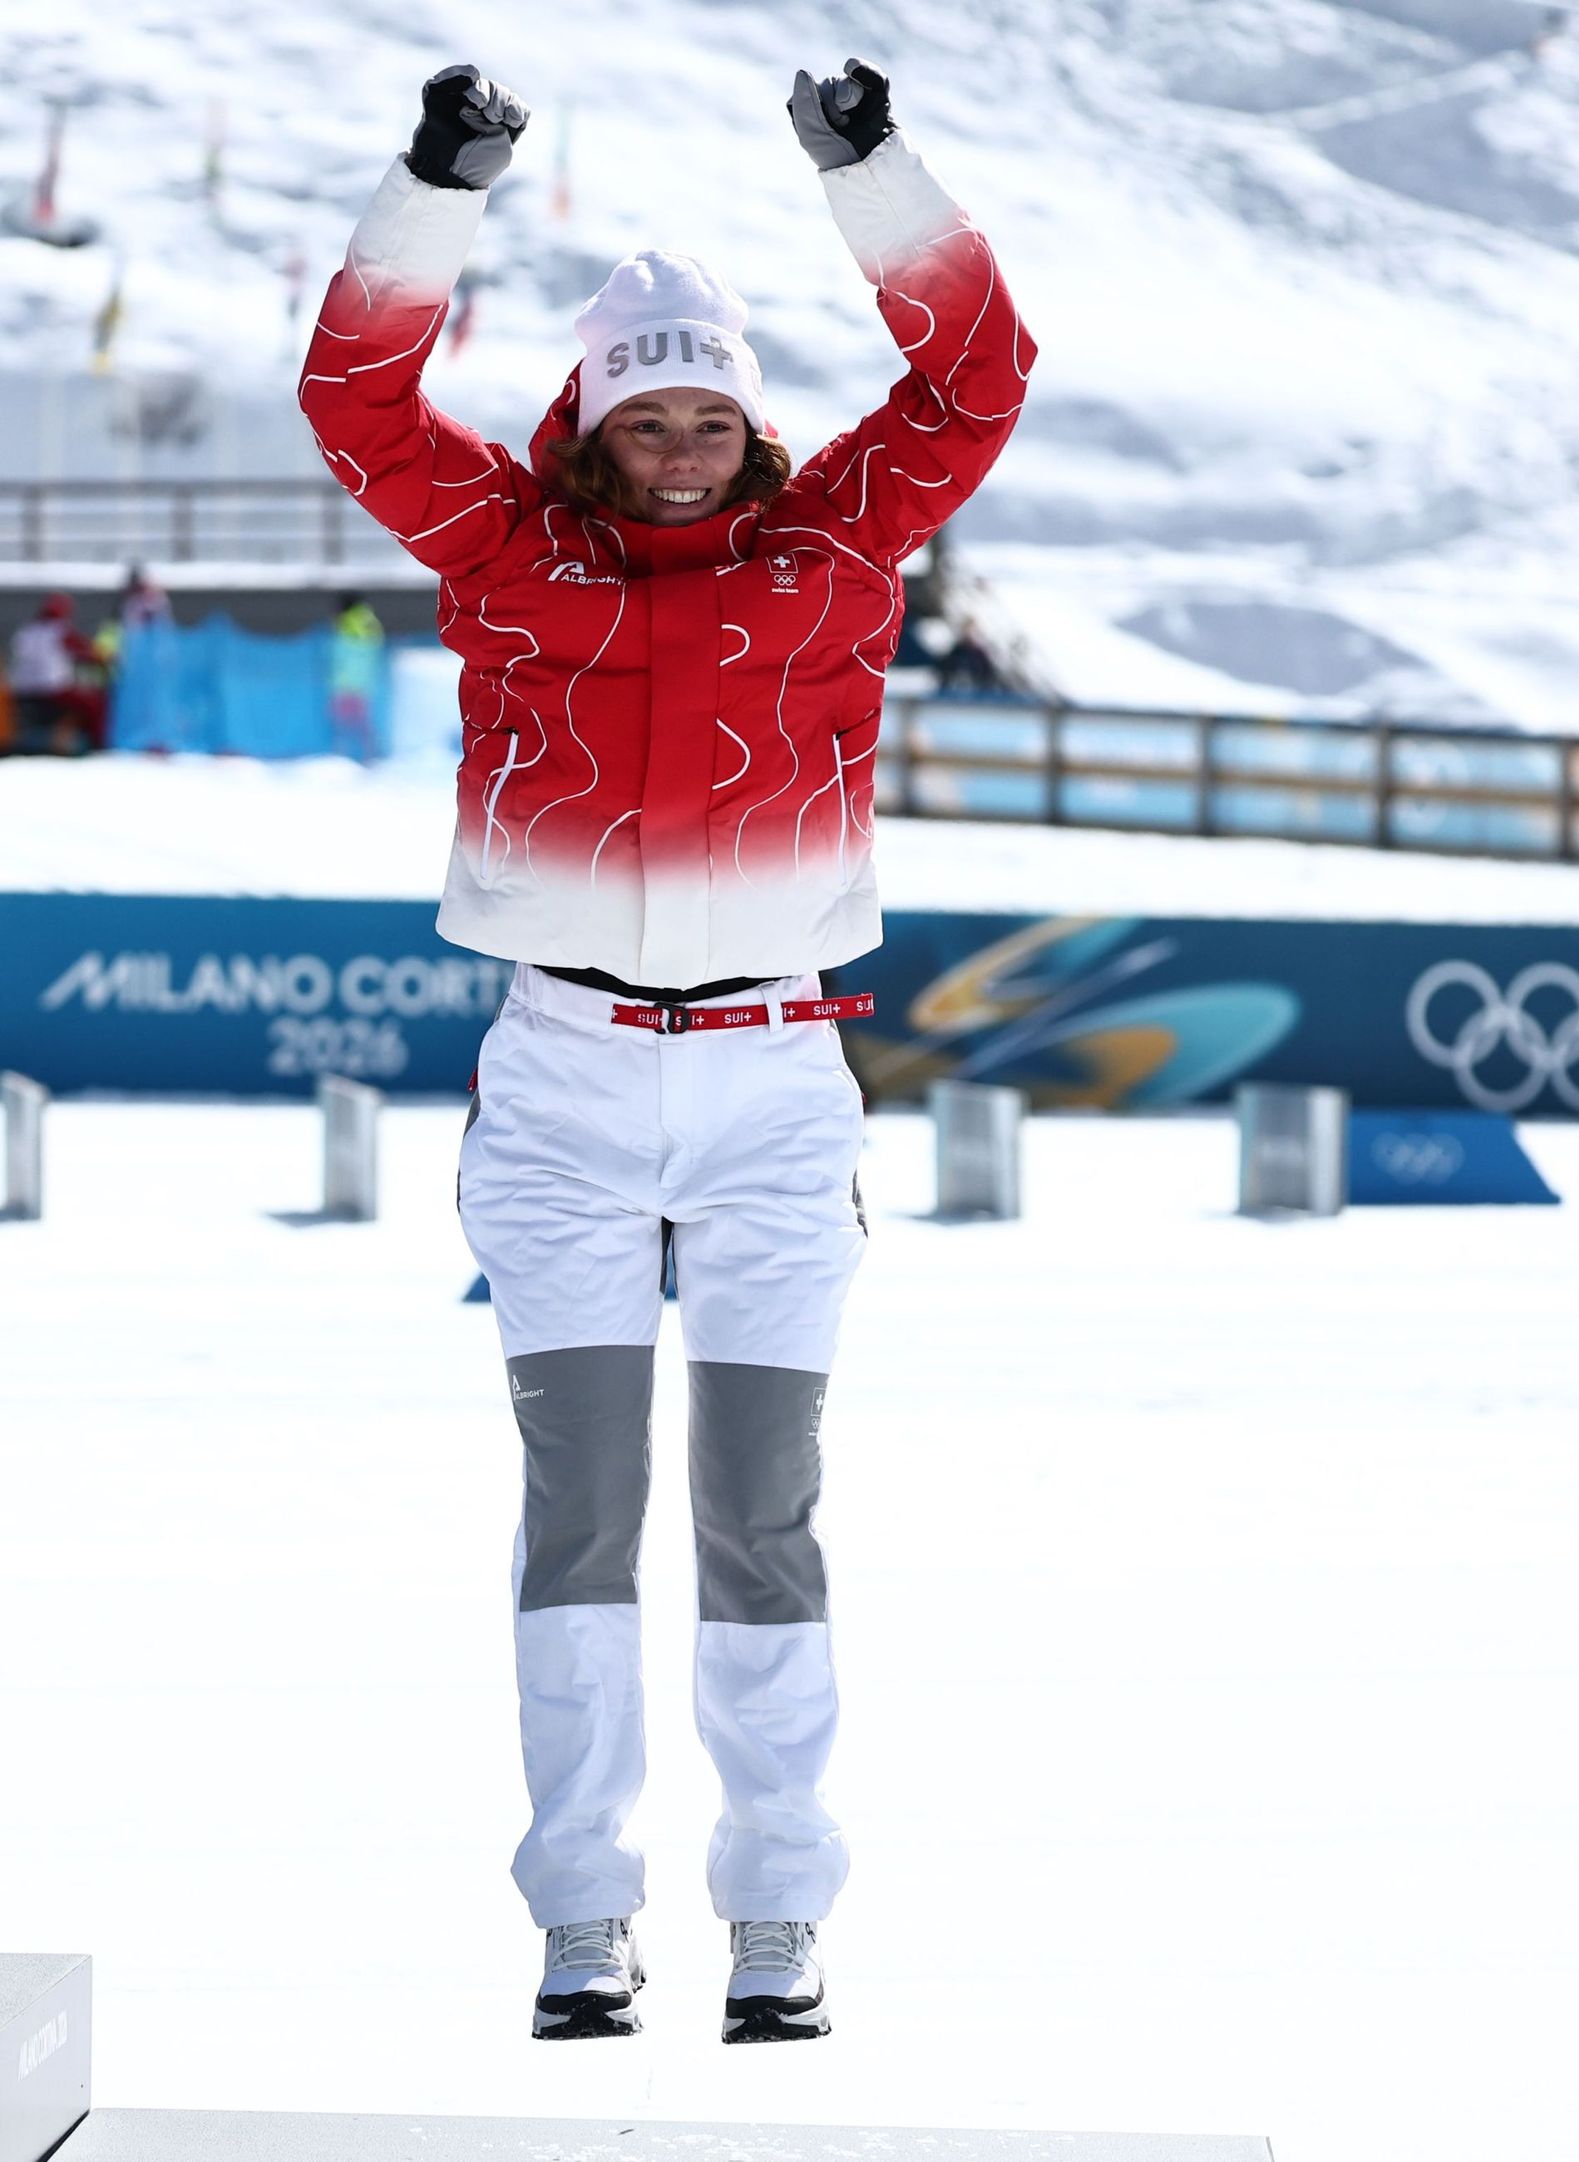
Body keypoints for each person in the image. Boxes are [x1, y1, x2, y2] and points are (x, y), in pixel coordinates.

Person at [301, 55, 1032, 2044]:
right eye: (649, 418)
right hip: (556, 1086)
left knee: (758, 1510)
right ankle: (576, 1917)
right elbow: (354, 401)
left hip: (776, 1087)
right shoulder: (505, 559)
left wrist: (864, 168)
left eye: (710, 414)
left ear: (751, 428)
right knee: (576, 1514)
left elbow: (972, 369)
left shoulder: (841, 556)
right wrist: (436, 181)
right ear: (595, 432)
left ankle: (779, 1911)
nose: (685, 445)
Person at [6, 592, 105, 753]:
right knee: (95, 704)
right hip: (52, 689)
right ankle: (98, 744)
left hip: (22, 689)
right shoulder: (60, 631)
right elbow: (87, 652)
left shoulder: (26, 632)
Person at [328, 591, 386, 761]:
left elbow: (342, 652)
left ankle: (345, 756)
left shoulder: (347, 622)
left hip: (346, 682)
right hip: (366, 682)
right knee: (364, 722)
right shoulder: (371, 621)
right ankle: (369, 755)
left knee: (343, 723)